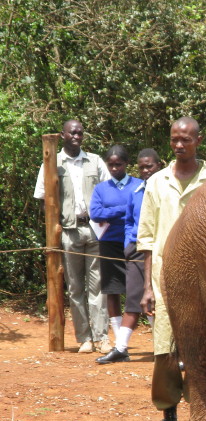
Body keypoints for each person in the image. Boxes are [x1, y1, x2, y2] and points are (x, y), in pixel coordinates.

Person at [137, 117, 206, 421]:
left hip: (203, 281)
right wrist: (147, 287)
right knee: (164, 351)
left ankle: (200, 418)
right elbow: (147, 238)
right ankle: (168, 417)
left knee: (201, 351)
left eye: (186, 139)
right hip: (164, 279)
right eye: (174, 139)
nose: (179, 145)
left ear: (199, 140)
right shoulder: (156, 182)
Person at [34, 119, 112, 354]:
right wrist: (54, 226)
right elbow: (43, 198)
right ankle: (84, 338)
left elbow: (109, 191)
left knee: (97, 286)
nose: (77, 136)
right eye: (72, 133)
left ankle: (102, 338)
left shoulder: (95, 161)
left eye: (80, 133)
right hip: (68, 231)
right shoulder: (52, 163)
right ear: (63, 135)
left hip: (95, 229)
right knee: (76, 288)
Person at [95, 148, 163, 364]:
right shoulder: (137, 192)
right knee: (135, 296)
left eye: (149, 166)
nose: (146, 171)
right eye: (142, 167)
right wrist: (128, 243)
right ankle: (121, 348)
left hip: (161, 249)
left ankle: (162, 349)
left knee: (159, 299)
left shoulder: (165, 190)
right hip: (136, 249)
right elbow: (129, 221)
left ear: (159, 165)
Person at [89, 145, 142, 361]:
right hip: (109, 243)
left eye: (118, 164)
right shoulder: (101, 188)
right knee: (112, 290)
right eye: (110, 164)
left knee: (137, 291)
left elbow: (141, 211)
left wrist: (111, 212)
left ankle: (128, 343)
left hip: (134, 244)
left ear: (126, 163)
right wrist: (125, 208)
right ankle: (120, 343)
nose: (114, 168)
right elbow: (95, 213)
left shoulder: (138, 185)